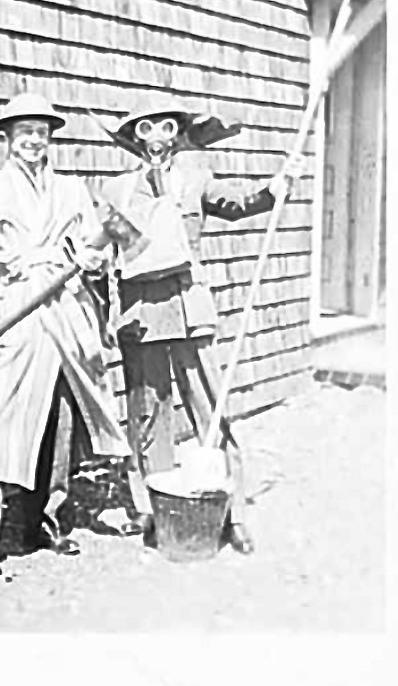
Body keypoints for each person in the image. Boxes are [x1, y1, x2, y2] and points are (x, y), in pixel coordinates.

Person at [100, 101, 304, 554]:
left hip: (188, 308)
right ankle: (153, 510)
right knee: (148, 415)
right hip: (140, 315)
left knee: (209, 407)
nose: (156, 139)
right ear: (134, 139)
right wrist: (103, 317)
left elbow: (240, 205)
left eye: (165, 129)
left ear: (176, 136)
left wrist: (277, 186)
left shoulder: (196, 180)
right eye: (145, 130)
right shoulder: (116, 190)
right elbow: (99, 253)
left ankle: (233, 515)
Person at [0, 93, 130, 579]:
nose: (33, 140)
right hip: (15, 312)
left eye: (41, 132)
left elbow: (97, 248)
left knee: (57, 424)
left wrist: (93, 260)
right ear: (7, 136)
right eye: (24, 131)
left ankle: (42, 522)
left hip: (66, 311)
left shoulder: (71, 190)